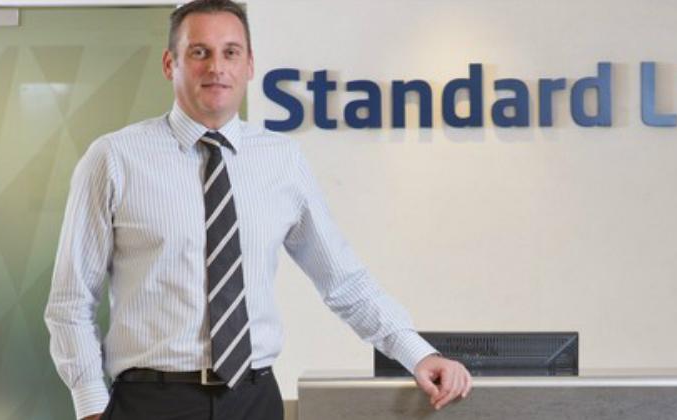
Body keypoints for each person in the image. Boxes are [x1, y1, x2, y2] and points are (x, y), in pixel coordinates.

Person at [43, 1, 472, 419]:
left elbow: (342, 280)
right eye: (199, 52)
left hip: (254, 399)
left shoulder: (282, 160)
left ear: (249, 65)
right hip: (151, 402)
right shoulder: (114, 159)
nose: (216, 67)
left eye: (230, 52)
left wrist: (417, 352)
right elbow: (71, 301)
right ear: (170, 64)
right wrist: (91, 405)